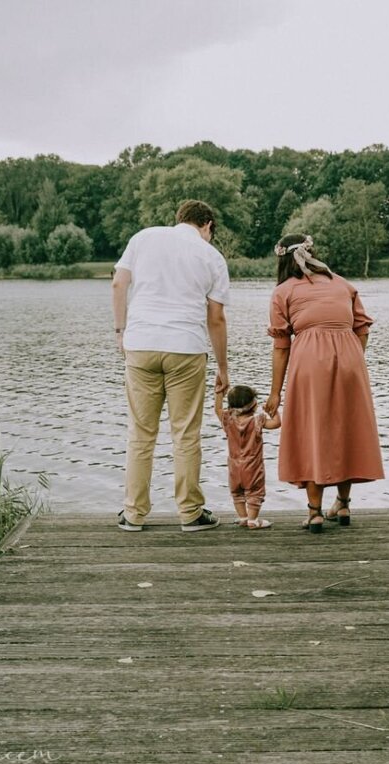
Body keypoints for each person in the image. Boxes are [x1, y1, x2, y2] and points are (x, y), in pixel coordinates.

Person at [112, 199, 230, 533]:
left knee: (141, 434)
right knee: (186, 434)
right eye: (211, 232)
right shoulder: (211, 256)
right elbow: (216, 318)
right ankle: (190, 513)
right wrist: (223, 368)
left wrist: (120, 332)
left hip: (141, 345)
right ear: (206, 225)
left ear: (179, 219)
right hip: (185, 348)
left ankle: (133, 514)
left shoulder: (144, 237)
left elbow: (119, 283)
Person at [263, 234, 383, 533]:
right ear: (311, 253)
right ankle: (343, 504)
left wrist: (275, 393)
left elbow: (281, 346)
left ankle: (315, 512)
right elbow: (362, 328)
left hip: (309, 361)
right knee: (346, 428)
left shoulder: (283, 291)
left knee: (311, 429)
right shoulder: (342, 284)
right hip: (350, 359)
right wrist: (350, 356)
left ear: (282, 260)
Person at [215, 384, 281, 529]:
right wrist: (272, 411)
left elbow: (218, 409)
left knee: (237, 493)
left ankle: (243, 517)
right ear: (254, 404)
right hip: (253, 467)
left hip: (234, 467)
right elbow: (277, 423)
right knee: (255, 493)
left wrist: (219, 392)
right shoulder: (257, 421)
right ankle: (253, 520)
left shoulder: (227, 419)